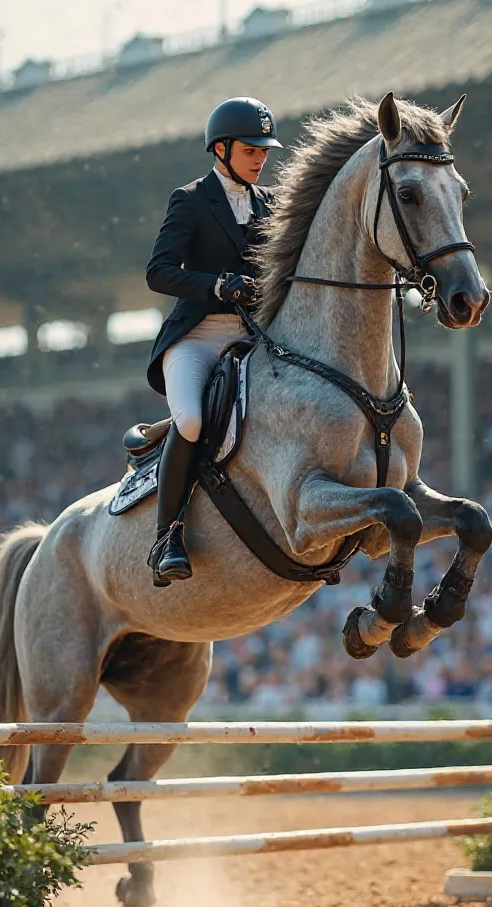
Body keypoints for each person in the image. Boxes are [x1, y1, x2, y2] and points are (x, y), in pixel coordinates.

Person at [145, 97, 282, 586]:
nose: (261, 158)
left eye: (265, 150)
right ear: (221, 149)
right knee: (192, 418)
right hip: (199, 338)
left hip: (254, 340)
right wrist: (217, 284)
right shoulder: (190, 199)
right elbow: (158, 272)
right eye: (251, 149)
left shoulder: (271, 204)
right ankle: (168, 536)